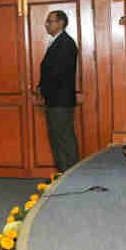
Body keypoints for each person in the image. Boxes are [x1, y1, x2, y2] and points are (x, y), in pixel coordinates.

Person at [34, 10, 79, 172]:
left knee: (64, 140)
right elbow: (50, 71)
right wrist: (40, 88)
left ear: (61, 23)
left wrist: (42, 89)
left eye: (50, 21)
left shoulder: (65, 43)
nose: (47, 24)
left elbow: (58, 73)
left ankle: (72, 177)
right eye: (47, 21)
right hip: (55, 100)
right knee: (56, 139)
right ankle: (62, 175)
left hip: (60, 101)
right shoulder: (57, 41)